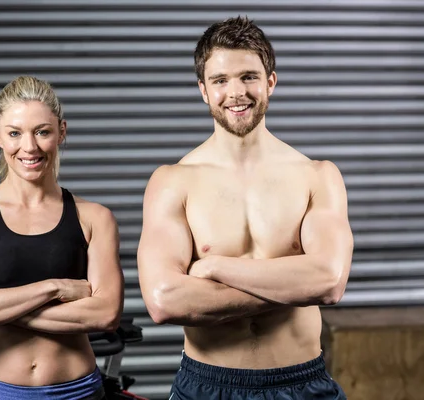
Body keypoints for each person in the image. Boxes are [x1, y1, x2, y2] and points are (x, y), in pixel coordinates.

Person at [137, 16, 353, 400]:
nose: (236, 92)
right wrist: (294, 285)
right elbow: (165, 300)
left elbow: (329, 282)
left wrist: (216, 268)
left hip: (302, 383)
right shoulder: (173, 182)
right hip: (208, 385)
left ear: (271, 81)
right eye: (220, 80)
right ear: (203, 90)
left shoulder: (317, 176)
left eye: (248, 76)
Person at [0, 76, 124, 400]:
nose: (30, 147)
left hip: (79, 392)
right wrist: (53, 288)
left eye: (42, 131)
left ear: (61, 131)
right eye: (14, 133)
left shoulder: (95, 218)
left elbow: (106, 314)